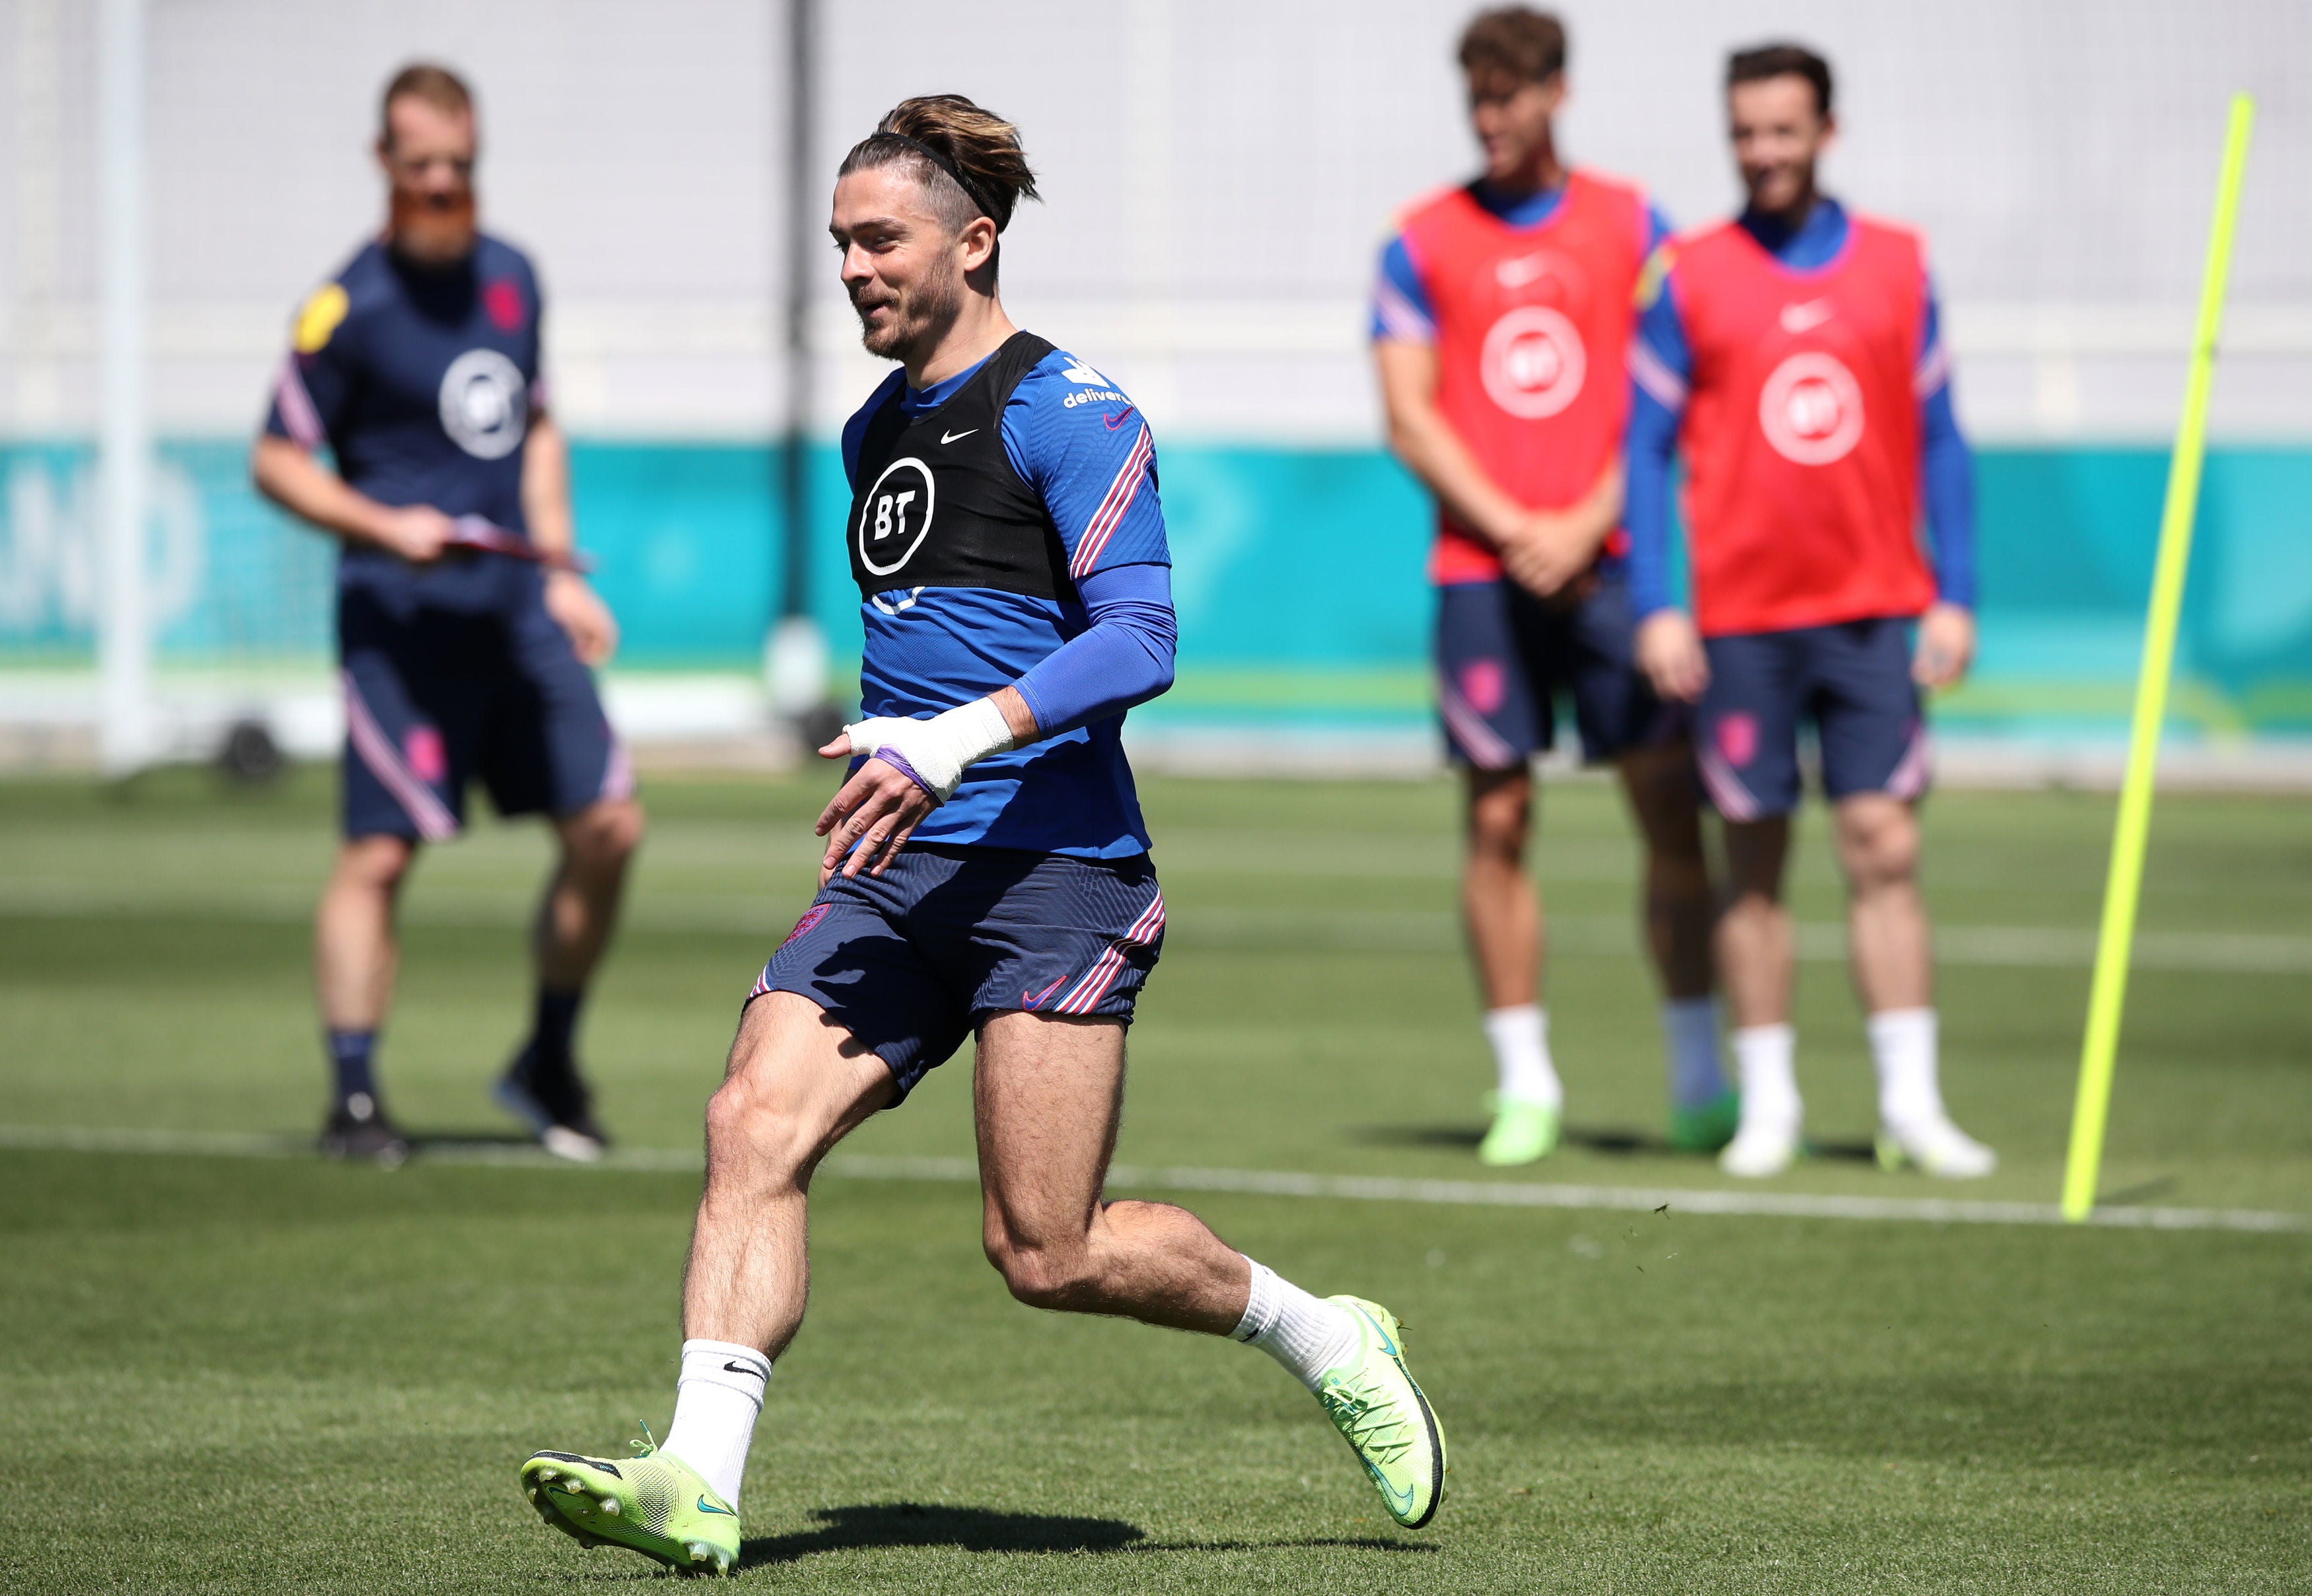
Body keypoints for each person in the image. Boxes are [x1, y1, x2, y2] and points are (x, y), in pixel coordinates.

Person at [517, 95, 1447, 1575]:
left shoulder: (1067, 410)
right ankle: (699, 1472)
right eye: (838, 243)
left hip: (1058, 877)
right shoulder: (872, 430)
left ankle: (1325, 1331)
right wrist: (899, 747)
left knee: (1046, 1251)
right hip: (898, 875)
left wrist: (948, 740)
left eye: (879, 237)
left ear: (976, 239)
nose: (853, 267)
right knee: (749, 1119)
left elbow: (1142, 634)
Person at [251, 64, 642, 1167]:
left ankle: (547, 1059)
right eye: (421, 164)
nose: (442, 183)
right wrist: (381, 523)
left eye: (459, 165)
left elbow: (542, 424)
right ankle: (356, 1096)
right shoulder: (348, 307)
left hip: (515, 611)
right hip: (402, 627)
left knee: (610, 827)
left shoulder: (514, 276)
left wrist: (562, 570)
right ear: (384, 163)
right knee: (378, 855)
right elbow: (275, 457)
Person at [1625, 42, 1996, 1179]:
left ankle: (1911, 1107)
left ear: (1826, 131)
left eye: (1783, 130)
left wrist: (1957, 594)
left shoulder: (1899, 264)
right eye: (1746, 132)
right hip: (1740, 622)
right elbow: (1643, 451)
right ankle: (1771, 1104)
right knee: (1755, 858)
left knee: (1884, 846)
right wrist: (1658, 604)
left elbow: (1942, 439)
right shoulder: (1688, 273)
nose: (1763, 153)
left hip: (1878, 610)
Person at [1373, 7, 1732, 1167]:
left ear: (1556, 94)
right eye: (1478, 99)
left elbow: (1669, 396)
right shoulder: (1419, 239)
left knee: (1667, 808)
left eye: (1511, 97)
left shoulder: (1636, 225)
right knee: (1497, 814)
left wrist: (1582, 524)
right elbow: (1409, 417)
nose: (1493, 120)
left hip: (1617, 565)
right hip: (1484, 572)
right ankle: (1523, 1084)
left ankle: (1697, 1072)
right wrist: (1519, 527)